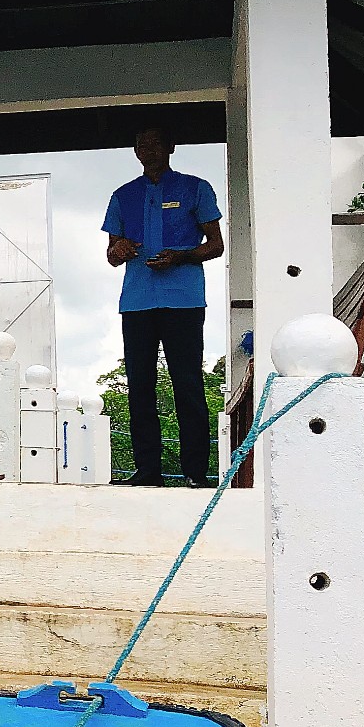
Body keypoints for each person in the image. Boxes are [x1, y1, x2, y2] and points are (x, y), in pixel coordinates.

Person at [102, 125, 225, 486]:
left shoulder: (196, 188)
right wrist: (119, 250)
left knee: (187, 383)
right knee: (139, 385)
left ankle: (197, 474)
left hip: (183, 300)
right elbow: (111, 254)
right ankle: (147, 472)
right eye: (142, 144)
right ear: (135, 151)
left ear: (171, 147)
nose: (149, 149)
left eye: (156, 143)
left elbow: (215, 245)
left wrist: (181, 257)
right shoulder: (123, 195)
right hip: (137, 302)